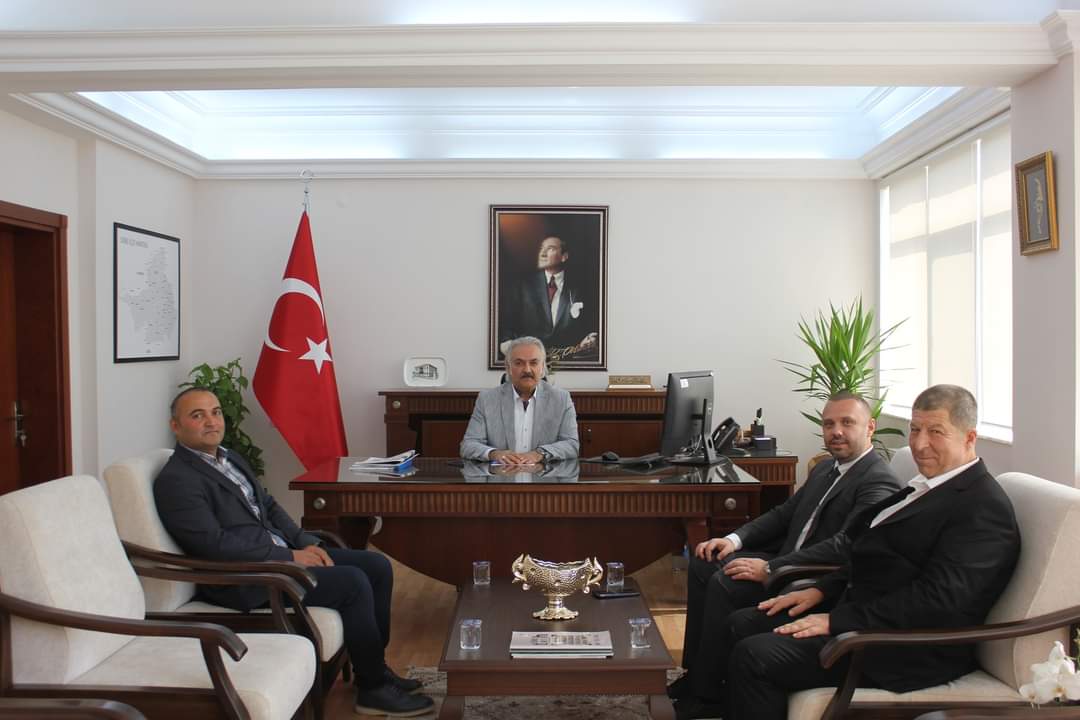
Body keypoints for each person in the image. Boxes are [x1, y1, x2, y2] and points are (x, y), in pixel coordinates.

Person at [676, 385, 1021, 720]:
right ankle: (709, 699)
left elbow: (937, 600)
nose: (919, 443)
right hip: (860, 613)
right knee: (741, 623)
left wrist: (836, 620)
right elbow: (866, 551)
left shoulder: (982, 508)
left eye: (936, 432)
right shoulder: (924, 488)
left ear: (969, 437)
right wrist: (820, 590)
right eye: (915, 429)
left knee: (755, 655)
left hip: (901, 646)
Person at [154, 387, 435, 718]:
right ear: (176, 426)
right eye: (197, 415)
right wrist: (289, 558)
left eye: (215, 412)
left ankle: (374, 668)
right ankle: (373, 691)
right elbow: (215, 545)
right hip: (244, 577)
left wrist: (304, 542)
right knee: (353, 582)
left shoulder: (229, 458)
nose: (211, 422)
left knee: (376, 566)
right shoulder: (177, 479)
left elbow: (269, 506)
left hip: (276, 557)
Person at [670, 391, 900, 707]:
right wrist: (734, 540)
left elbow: (845, 545)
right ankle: (697, 673)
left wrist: (772, 568)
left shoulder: (878, 481)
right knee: (706, 561)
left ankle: (707, 696)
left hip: (813, 578)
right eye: (829, 424)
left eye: (847, 423)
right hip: (788, 560)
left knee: (725, 581)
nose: (836, 432)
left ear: (870, 427)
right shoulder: (826, 468)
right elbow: (784, 514)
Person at [460, 336, 579, 464]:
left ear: (543, 367)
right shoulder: (487, 399)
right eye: (519, 363)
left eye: (534, 363)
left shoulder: (561, 399)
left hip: (544, 475)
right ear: (508, 367)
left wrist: (540, 454)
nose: (527, 369)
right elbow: (468, 445)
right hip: (501, 474)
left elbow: (571, 445)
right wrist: (494, 454)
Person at [499, 235, 599, 362]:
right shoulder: (523, 286)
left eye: (550, 248)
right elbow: (509, 325)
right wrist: (506, 343)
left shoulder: (582, 287)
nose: (543, 253)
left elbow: (592, 324)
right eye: (542, 248)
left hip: (570, 360)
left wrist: (591, 338)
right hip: (531, 360)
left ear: (564, 256)